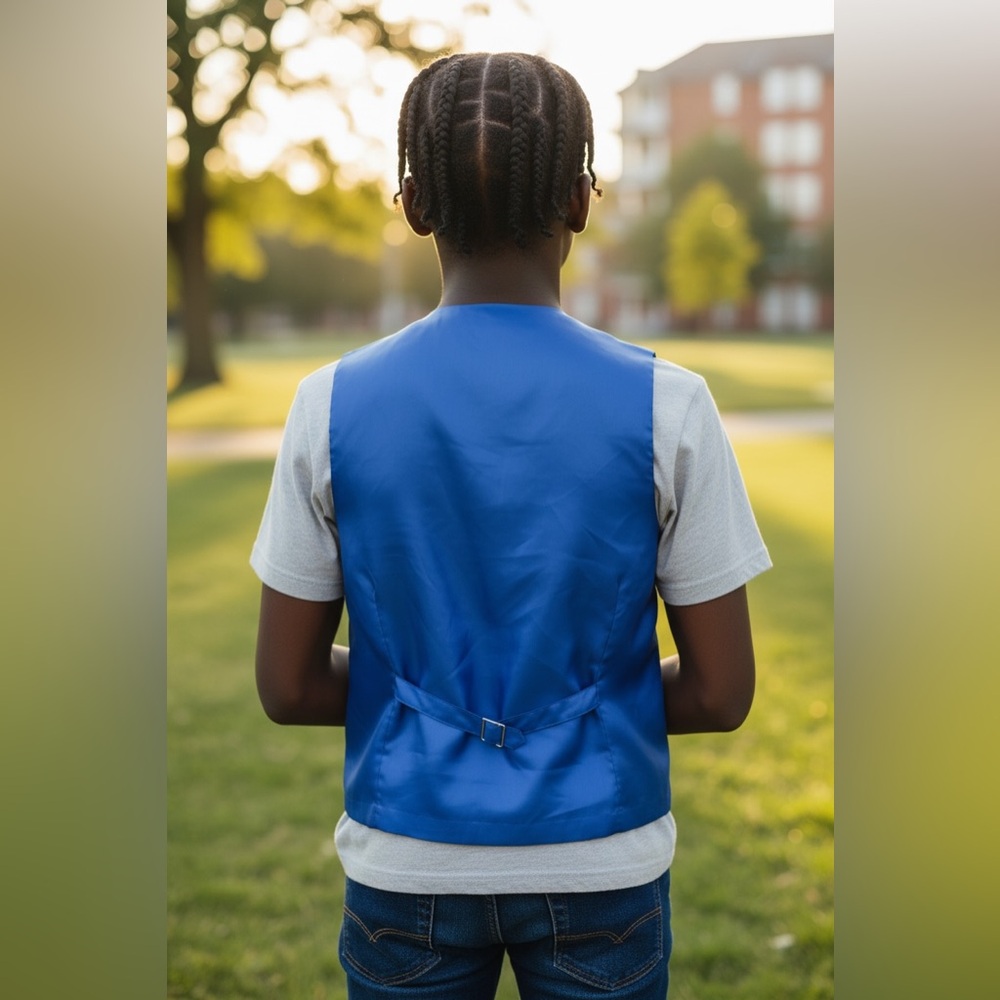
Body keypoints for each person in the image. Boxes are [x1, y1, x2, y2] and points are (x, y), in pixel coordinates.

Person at [251, 51, 771, 1000]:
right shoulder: (671, 404)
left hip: (407, 859)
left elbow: (286, 685)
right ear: (580, 201)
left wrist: (428, 715)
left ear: (413, 205)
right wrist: (576, 716)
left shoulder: (327, 404)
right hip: (599, 855)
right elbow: (720, 692)